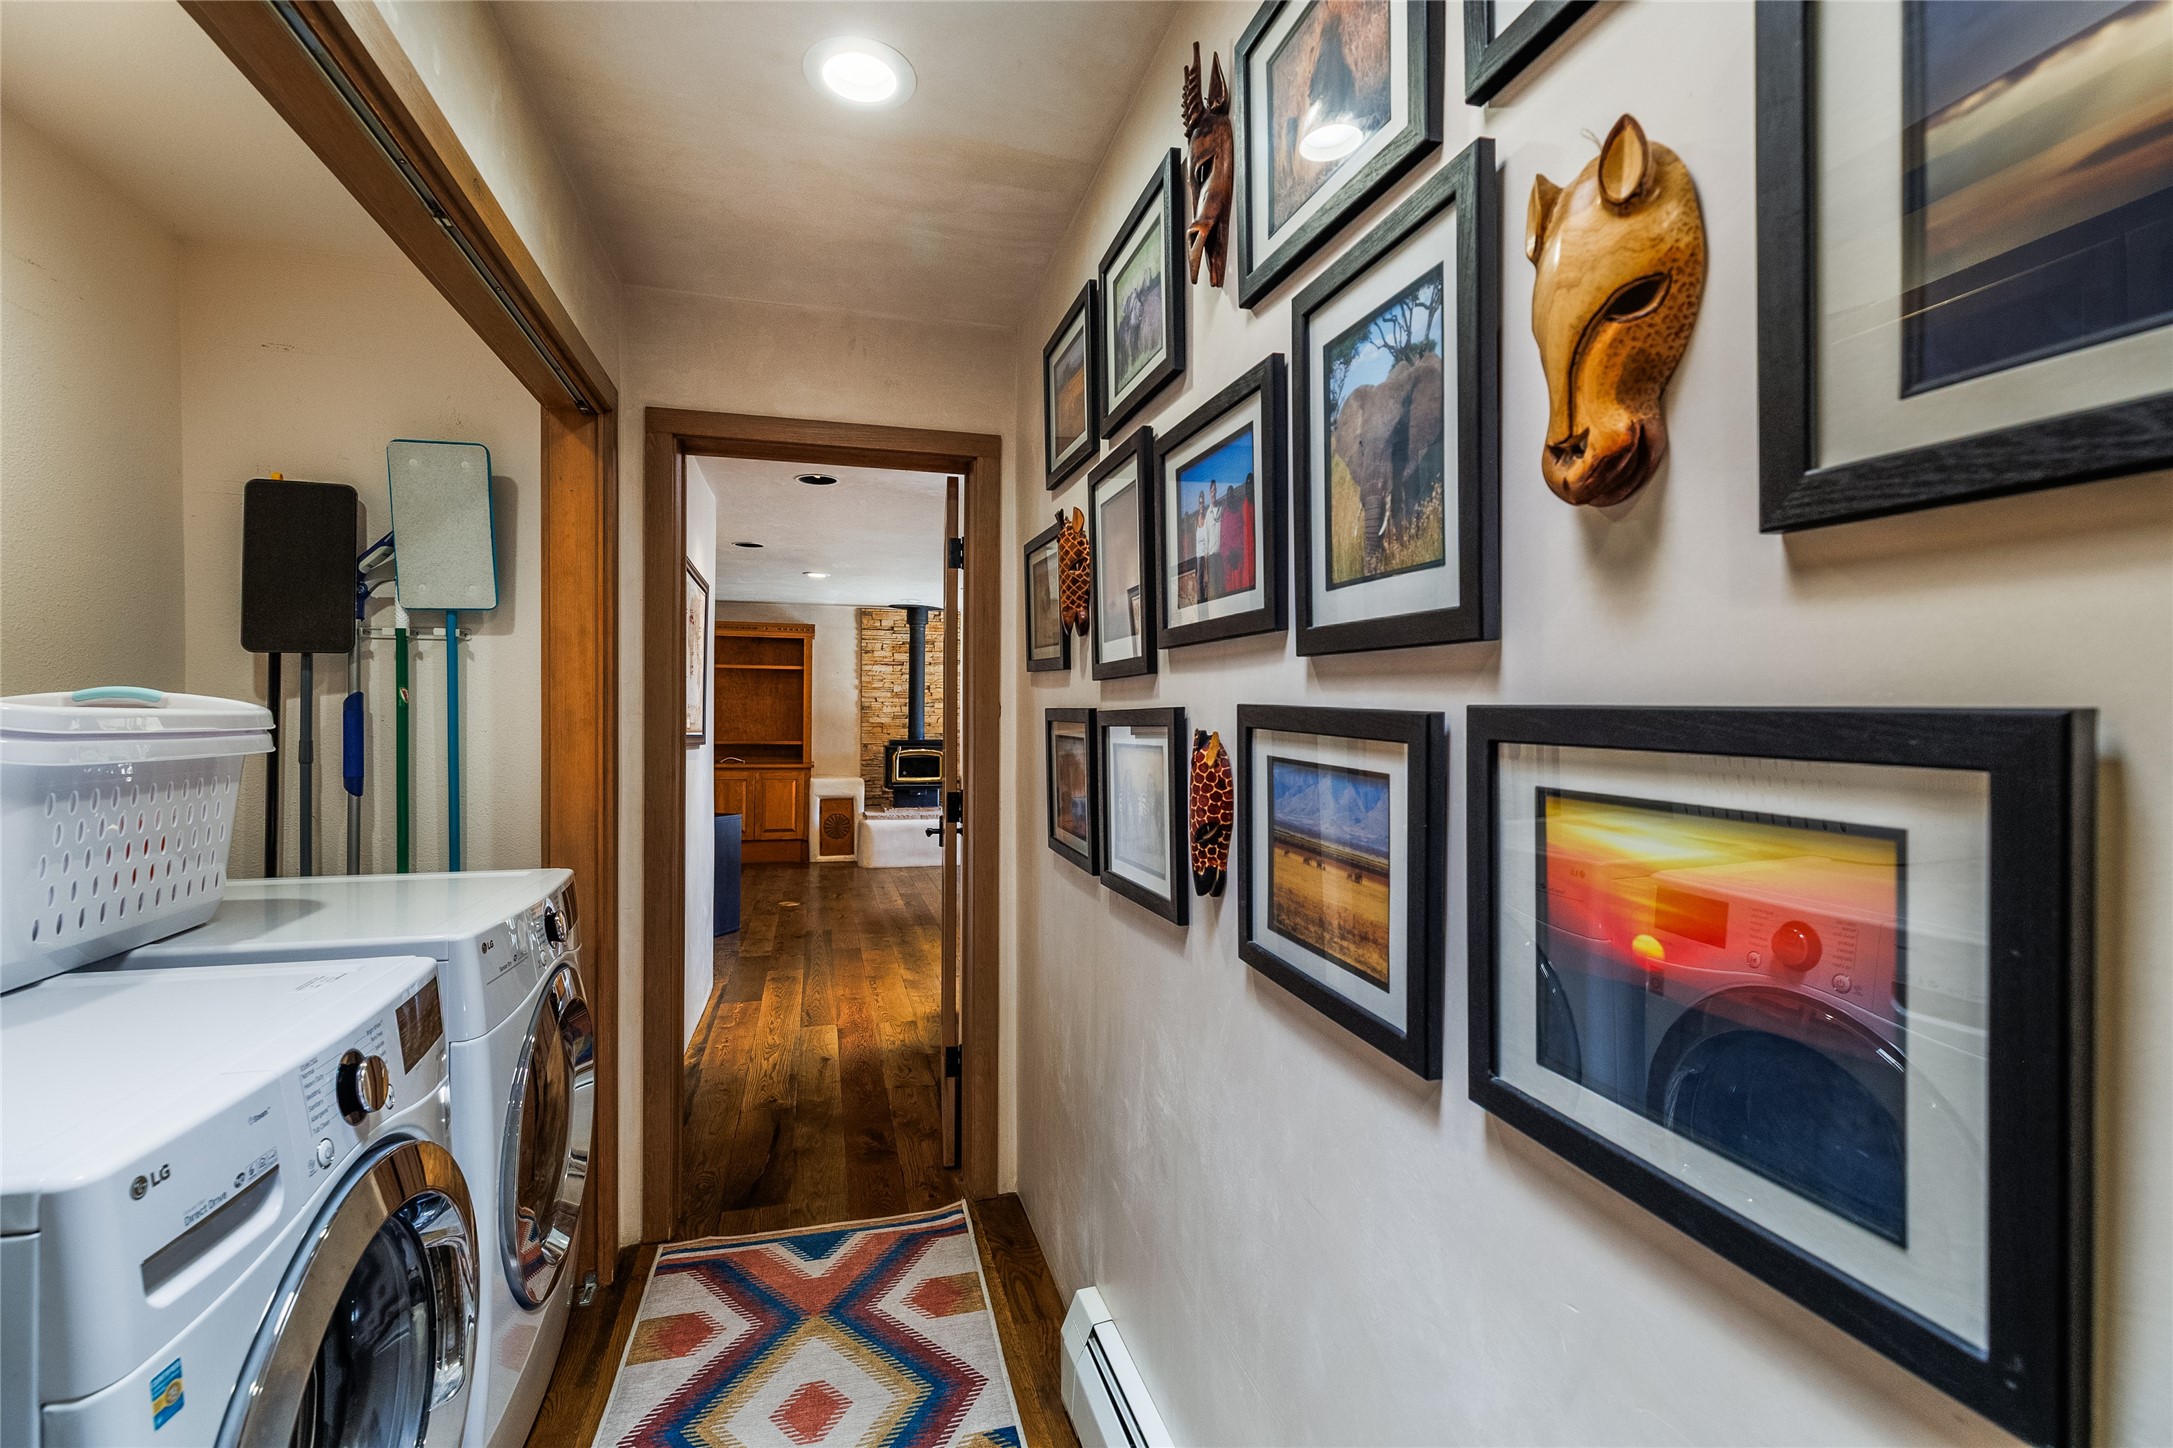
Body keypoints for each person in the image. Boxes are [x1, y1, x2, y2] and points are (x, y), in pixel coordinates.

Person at [1222, 475, 1254, 593]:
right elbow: (1222, 539)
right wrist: (1228, 553)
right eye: (1228, 495)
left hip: (1240, 560)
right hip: (1230, 562)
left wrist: (1238, 552)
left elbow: (1244, 535)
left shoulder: (1239, 513)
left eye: (1232, 494)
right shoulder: (1224, 516)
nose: (1230, 496)